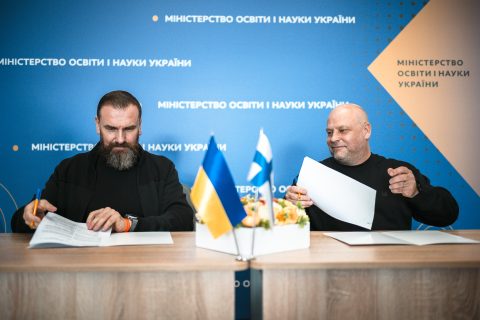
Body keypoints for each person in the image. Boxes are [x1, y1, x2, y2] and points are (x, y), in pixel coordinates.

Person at [12, 90, 194, 233]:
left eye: (129, 129)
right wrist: (28, 215)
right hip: (81, 269)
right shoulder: (70, 169)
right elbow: (22, 220)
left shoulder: (162, 168)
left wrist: (127, 224)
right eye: (111, 129)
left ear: (140, 127)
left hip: (145, 265)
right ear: (97, 125)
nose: (120, 139)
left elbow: (183, 219)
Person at [285, 103, 458, 231]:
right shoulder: (312, 175)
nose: (333, 138)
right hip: (329, 269)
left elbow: (448, 215)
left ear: (366, 131)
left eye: (343, 130)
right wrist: (290, 206)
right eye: (329, 132)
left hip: (389, 270)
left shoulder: (399, 173)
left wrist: (416, 193)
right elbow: (287, 230)